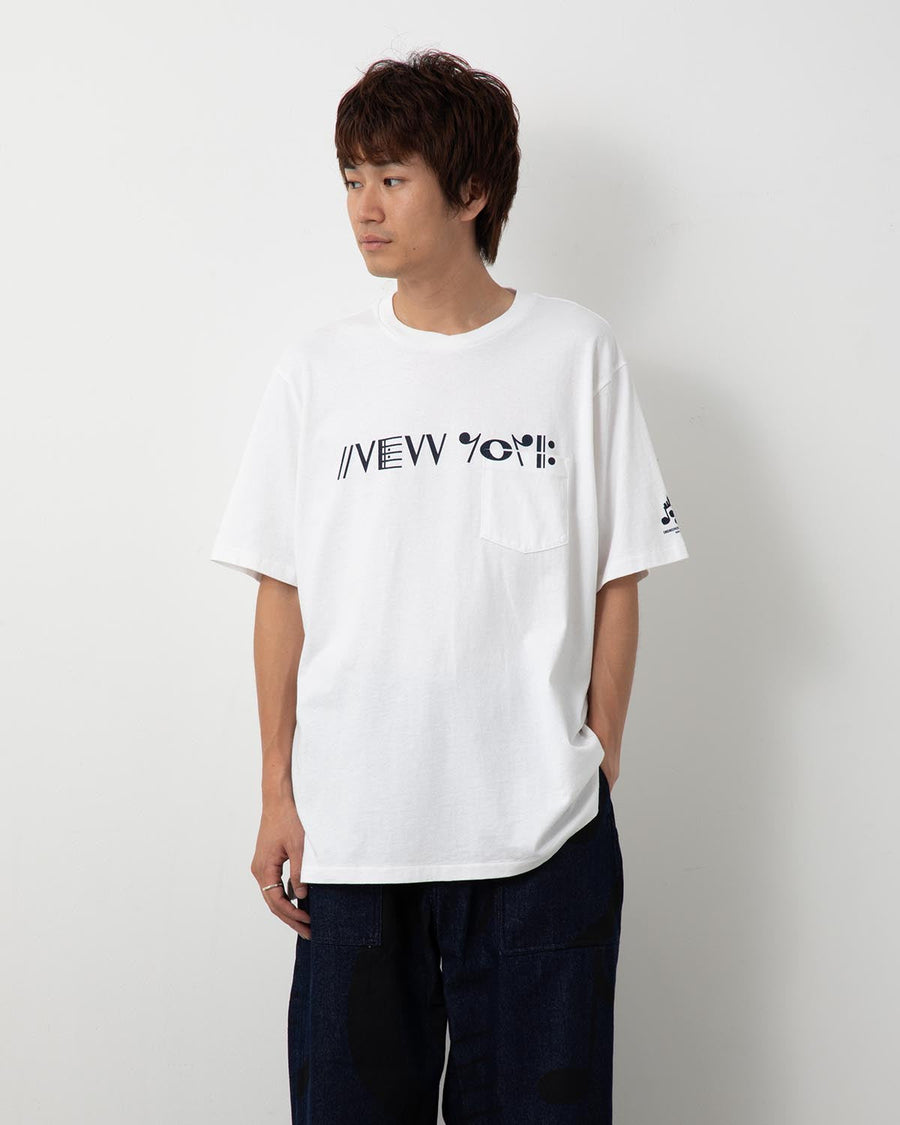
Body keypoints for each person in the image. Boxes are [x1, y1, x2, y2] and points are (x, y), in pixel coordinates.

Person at [210, 47, 689, 1125]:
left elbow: (620, 571)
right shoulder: (317, 372)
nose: (363, 207)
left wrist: (599, 754)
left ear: (472, 191)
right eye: (351, 178)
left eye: (392, 177)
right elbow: (281, 589)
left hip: (541, 841)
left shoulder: (575, 353)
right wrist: (278, 790)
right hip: (354, 836)